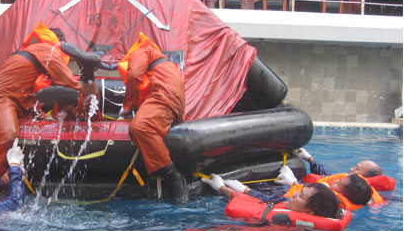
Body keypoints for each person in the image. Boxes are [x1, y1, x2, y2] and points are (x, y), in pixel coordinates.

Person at [0, 27, 99, 186]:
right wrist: (88, 77)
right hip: (0, 98)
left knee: (46, 121)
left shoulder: (34, 51)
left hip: (20, 103)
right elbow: (73, 87)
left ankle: (10, 173)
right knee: (8, 134)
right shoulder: (50, 51)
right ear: (61, 43)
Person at [117, 33, 187, 203]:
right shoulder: (161, 63)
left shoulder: (140, 51)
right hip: (172, 99)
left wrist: (126, 106)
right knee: (139, 131)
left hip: (163, 94)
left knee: (139, 127)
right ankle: (158, 174)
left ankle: (174, 177)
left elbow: (134, 76)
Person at [202, 173, 341, 218]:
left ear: (309, 211)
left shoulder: (282, 226)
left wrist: (221, 187)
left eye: (300, 196)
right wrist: (221, 188)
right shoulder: (287, 205)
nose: (295, 194)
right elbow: (261, 200)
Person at [297, 148, 394, 192]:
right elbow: (328, 177)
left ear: (364, 178)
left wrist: (294, 184)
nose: (351, 169)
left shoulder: (353, 191)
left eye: (356, 169)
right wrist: (310, 159)